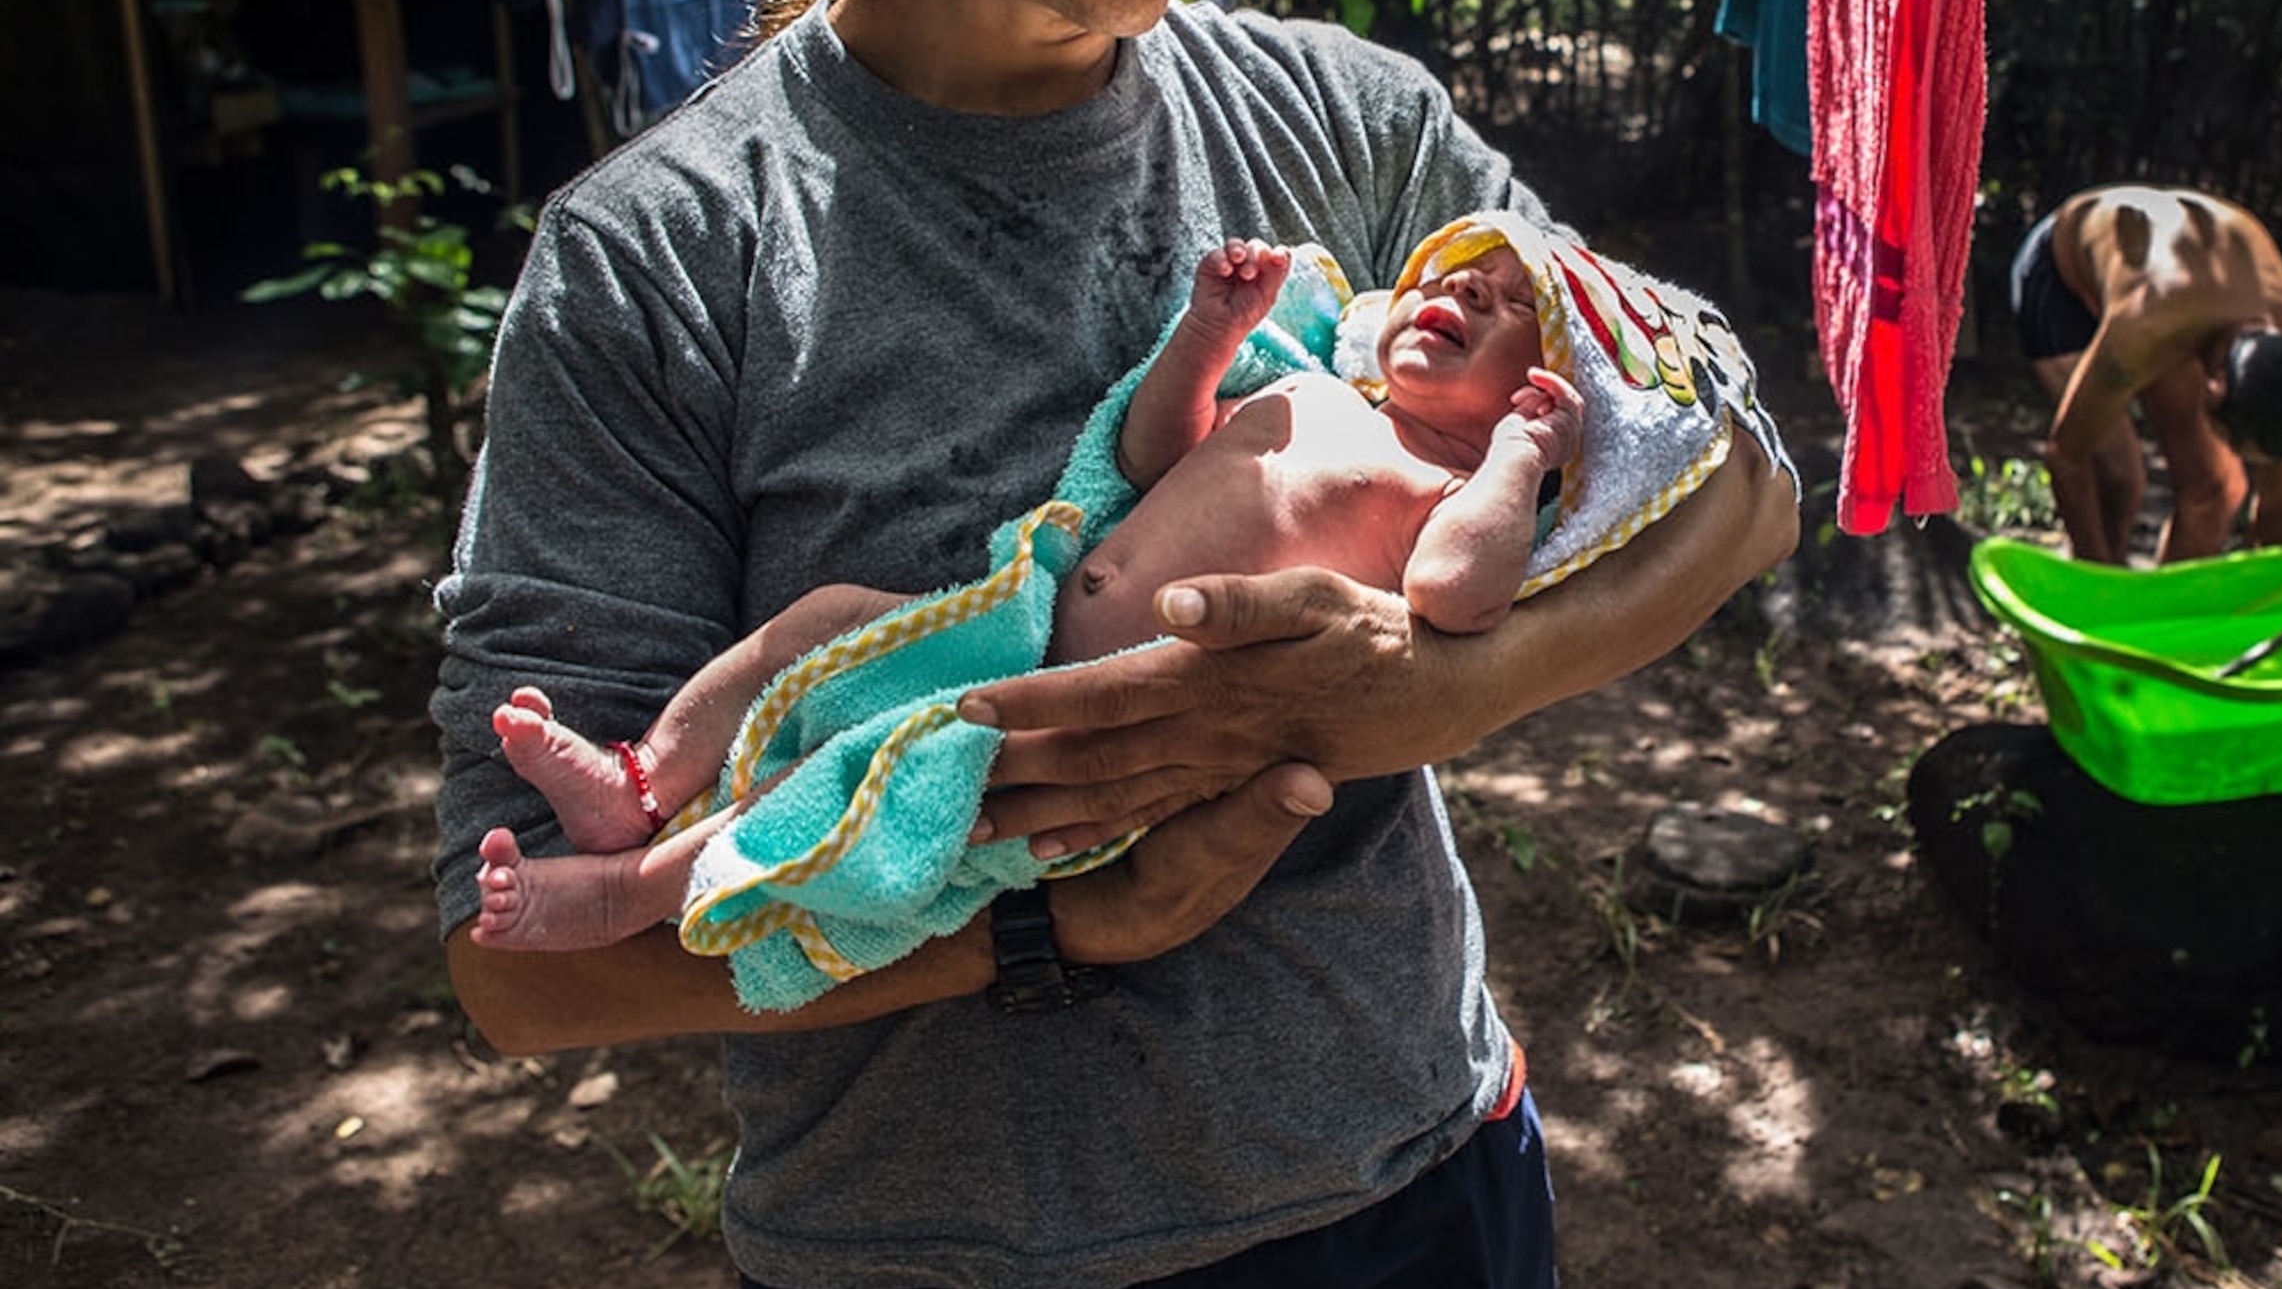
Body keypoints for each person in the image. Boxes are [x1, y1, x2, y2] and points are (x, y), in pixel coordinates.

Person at [428, 0, 1796, 1289]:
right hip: (947, 1287)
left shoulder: (1342, 119)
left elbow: (1740, 461)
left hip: (1418, 1186)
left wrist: (1432, 687)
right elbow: (515, 971)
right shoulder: (664, 256)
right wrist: (1048, 924)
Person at [464, 232, 1584, 955]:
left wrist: (1521, 459)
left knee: (849, 774)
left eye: (1502, 302)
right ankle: (643, 776)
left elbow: (1455, 594)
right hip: (1022, 620)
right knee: (821, 617)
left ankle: (628, 890)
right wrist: (1209, 335)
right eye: (1448, 274)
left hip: (1098, 719)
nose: (1460, 289)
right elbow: (1150, 453)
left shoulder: (1450, 489)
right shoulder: (1311, 386)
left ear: (1540, 390)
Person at [2007, 184, 2282, 566]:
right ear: (2212, 390)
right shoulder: (2144, 331)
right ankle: (2095, 592)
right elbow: (2066, 458)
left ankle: (2165, 603)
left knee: (2215, 493)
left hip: (2189, 299)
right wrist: (2098, 578)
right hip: (2063, 282)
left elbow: (2277, 527)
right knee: (2118, 478)